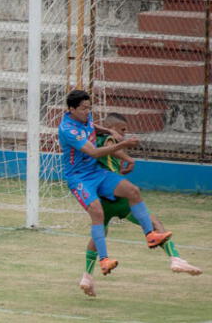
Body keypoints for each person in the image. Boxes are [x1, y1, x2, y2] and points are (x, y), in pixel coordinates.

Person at [79, 113, 202, 297]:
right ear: (111, 126)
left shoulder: (92, 139)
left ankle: (87, 277)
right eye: (123, 130)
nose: (124, 134)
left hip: (102, 200)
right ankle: (175, 258)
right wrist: (129, 158)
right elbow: (111, 147)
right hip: (119, 199)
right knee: (154, 223)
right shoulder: (109, 138)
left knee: (99, 236)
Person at [58, 89, 171, 277]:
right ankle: (104, 260)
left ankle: (150, 235)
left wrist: (109, 130)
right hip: (79, 178)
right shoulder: (68, 130)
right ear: (71, 109)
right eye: (84, 109)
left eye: (89, 107)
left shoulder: (85, 116)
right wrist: (123, 145)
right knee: (97, 212)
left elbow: (91, 125)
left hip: (96, 172)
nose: (88, 111)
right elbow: (94, 152)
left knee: (132, 191)